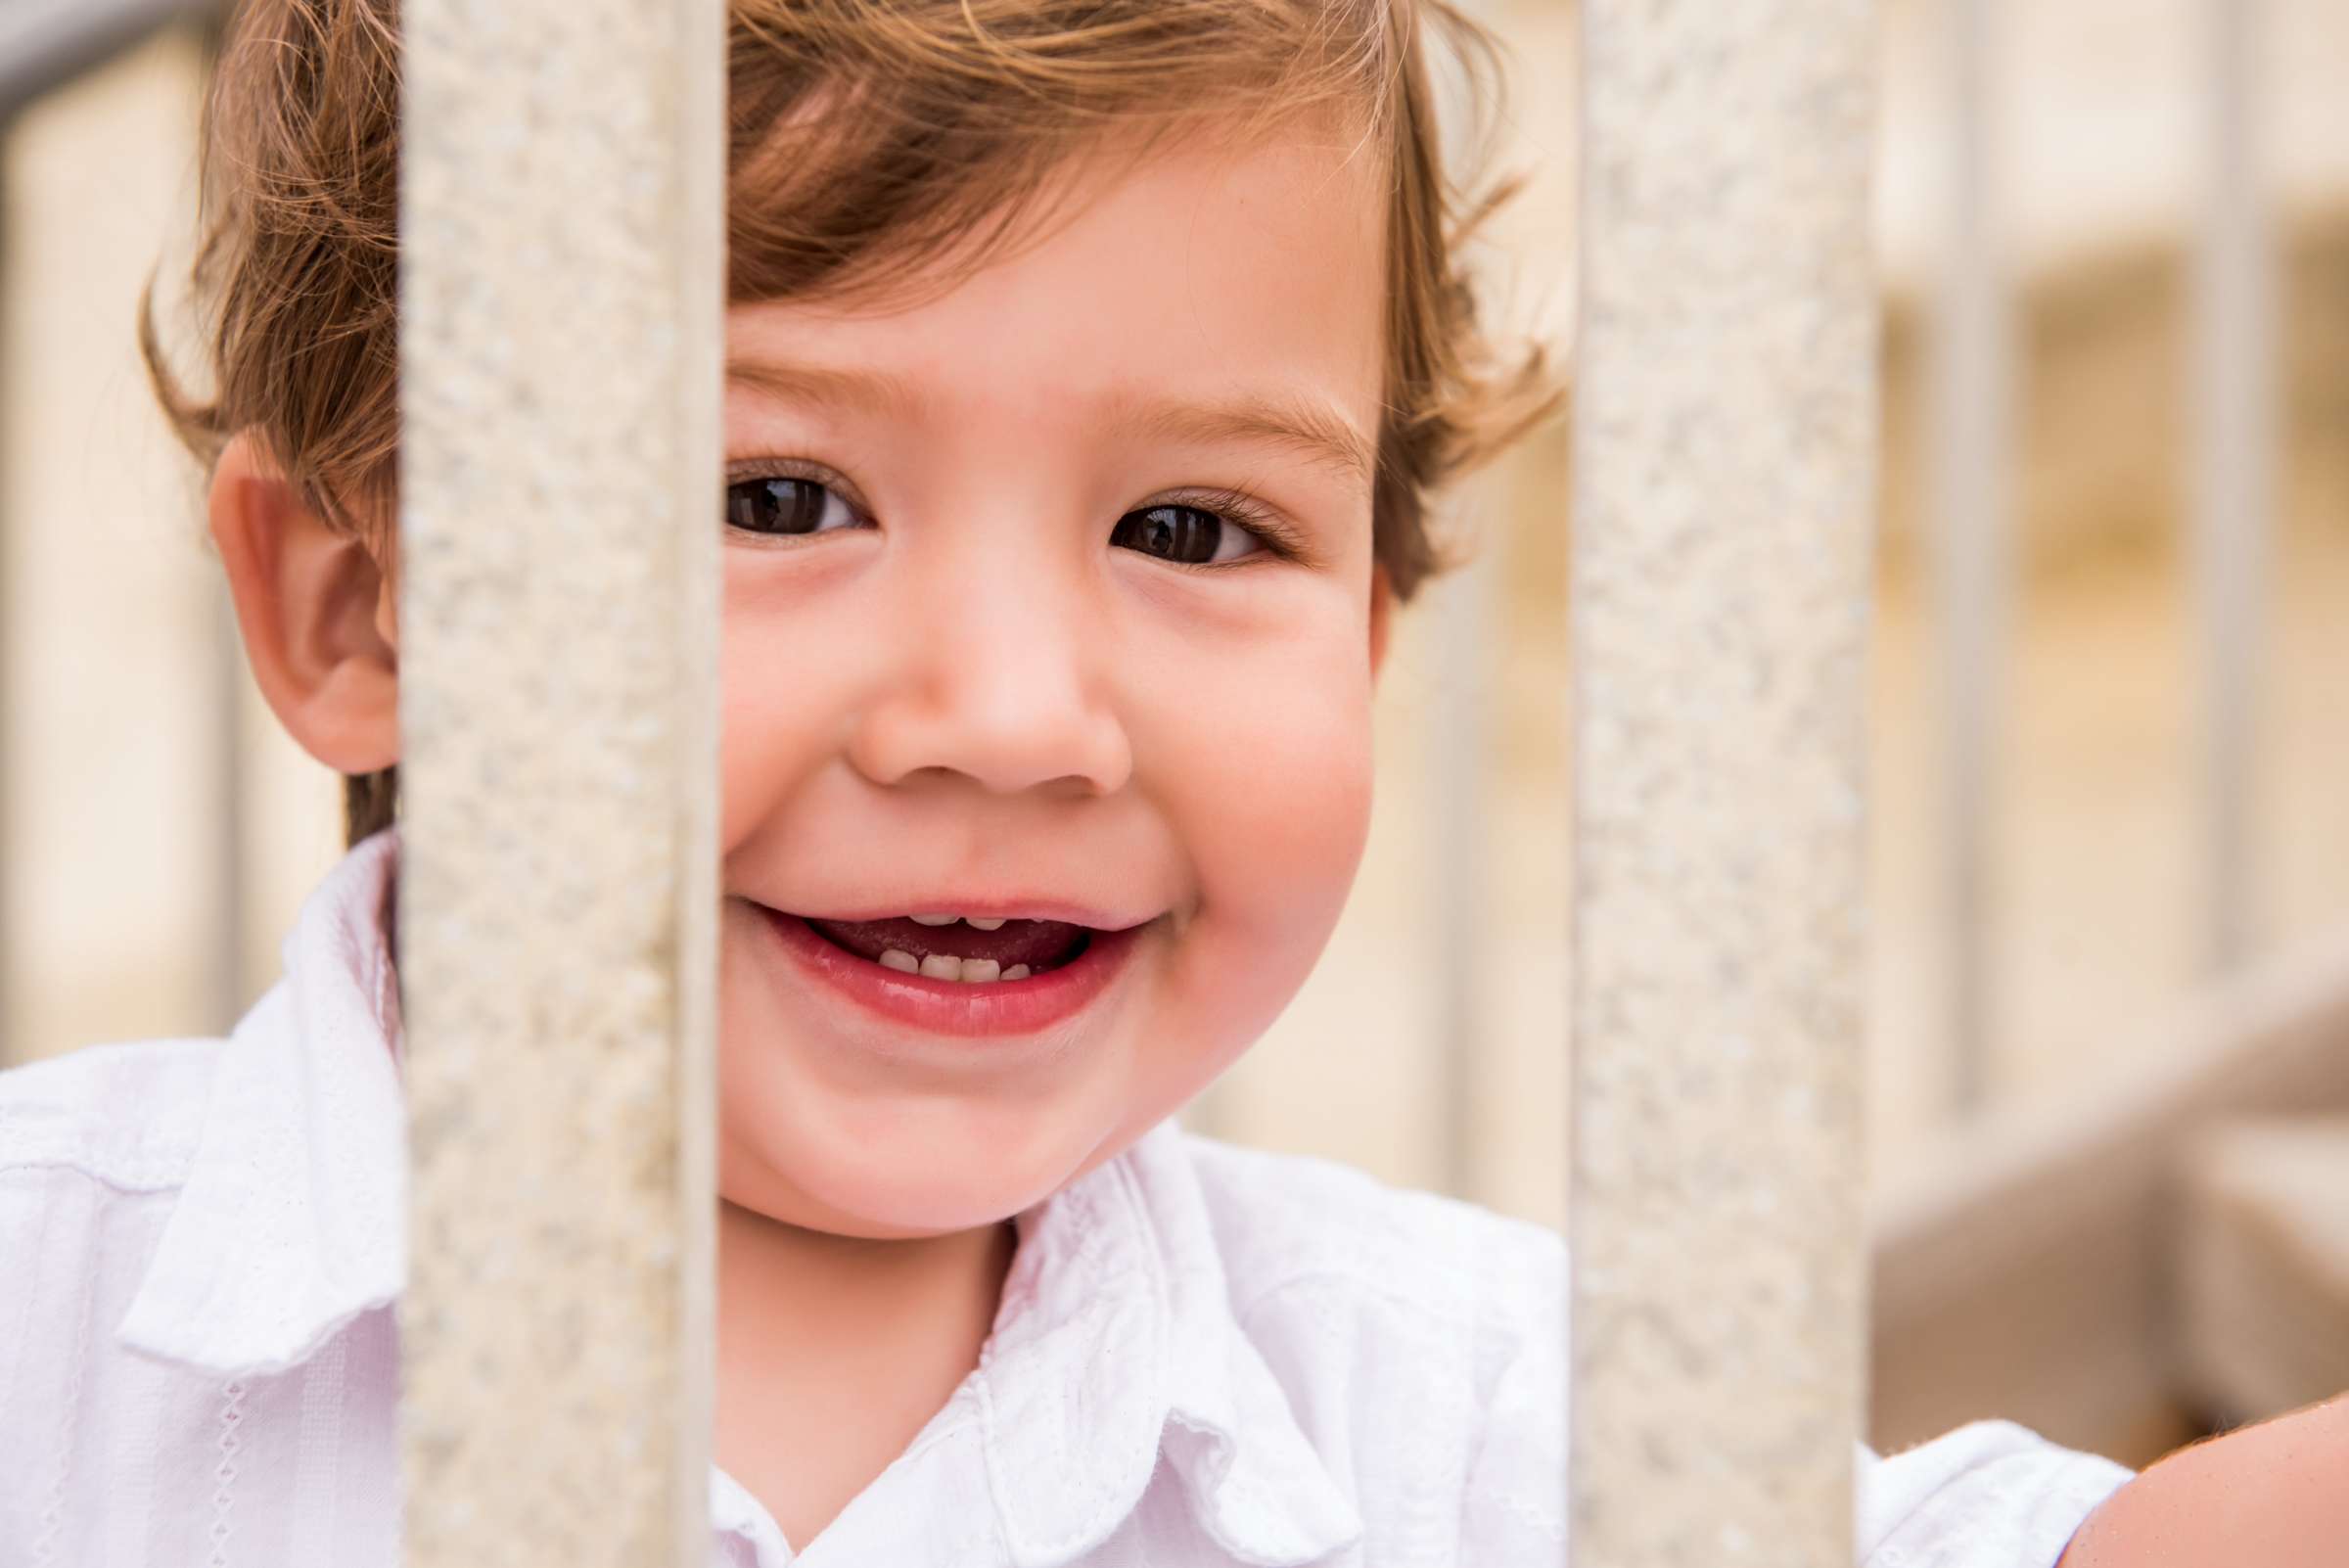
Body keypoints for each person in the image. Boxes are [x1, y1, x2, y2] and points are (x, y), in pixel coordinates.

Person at [1, 1, 2340, 1563]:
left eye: (1196, 531)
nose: (1014, 716)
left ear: (1374, 637)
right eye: (780, 499)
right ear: (353, 615)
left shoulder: (1445, 1415)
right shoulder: (42, 1326)